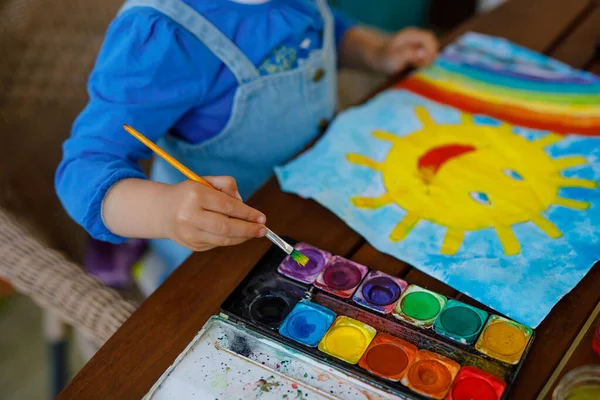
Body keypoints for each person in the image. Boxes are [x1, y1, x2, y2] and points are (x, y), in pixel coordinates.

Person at [55, 0, 439, 288]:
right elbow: (83, 168)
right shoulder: (160, 37)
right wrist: (166, 211)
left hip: (319, 199)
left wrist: (375, 51)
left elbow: (321, 28)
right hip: (219, 260)